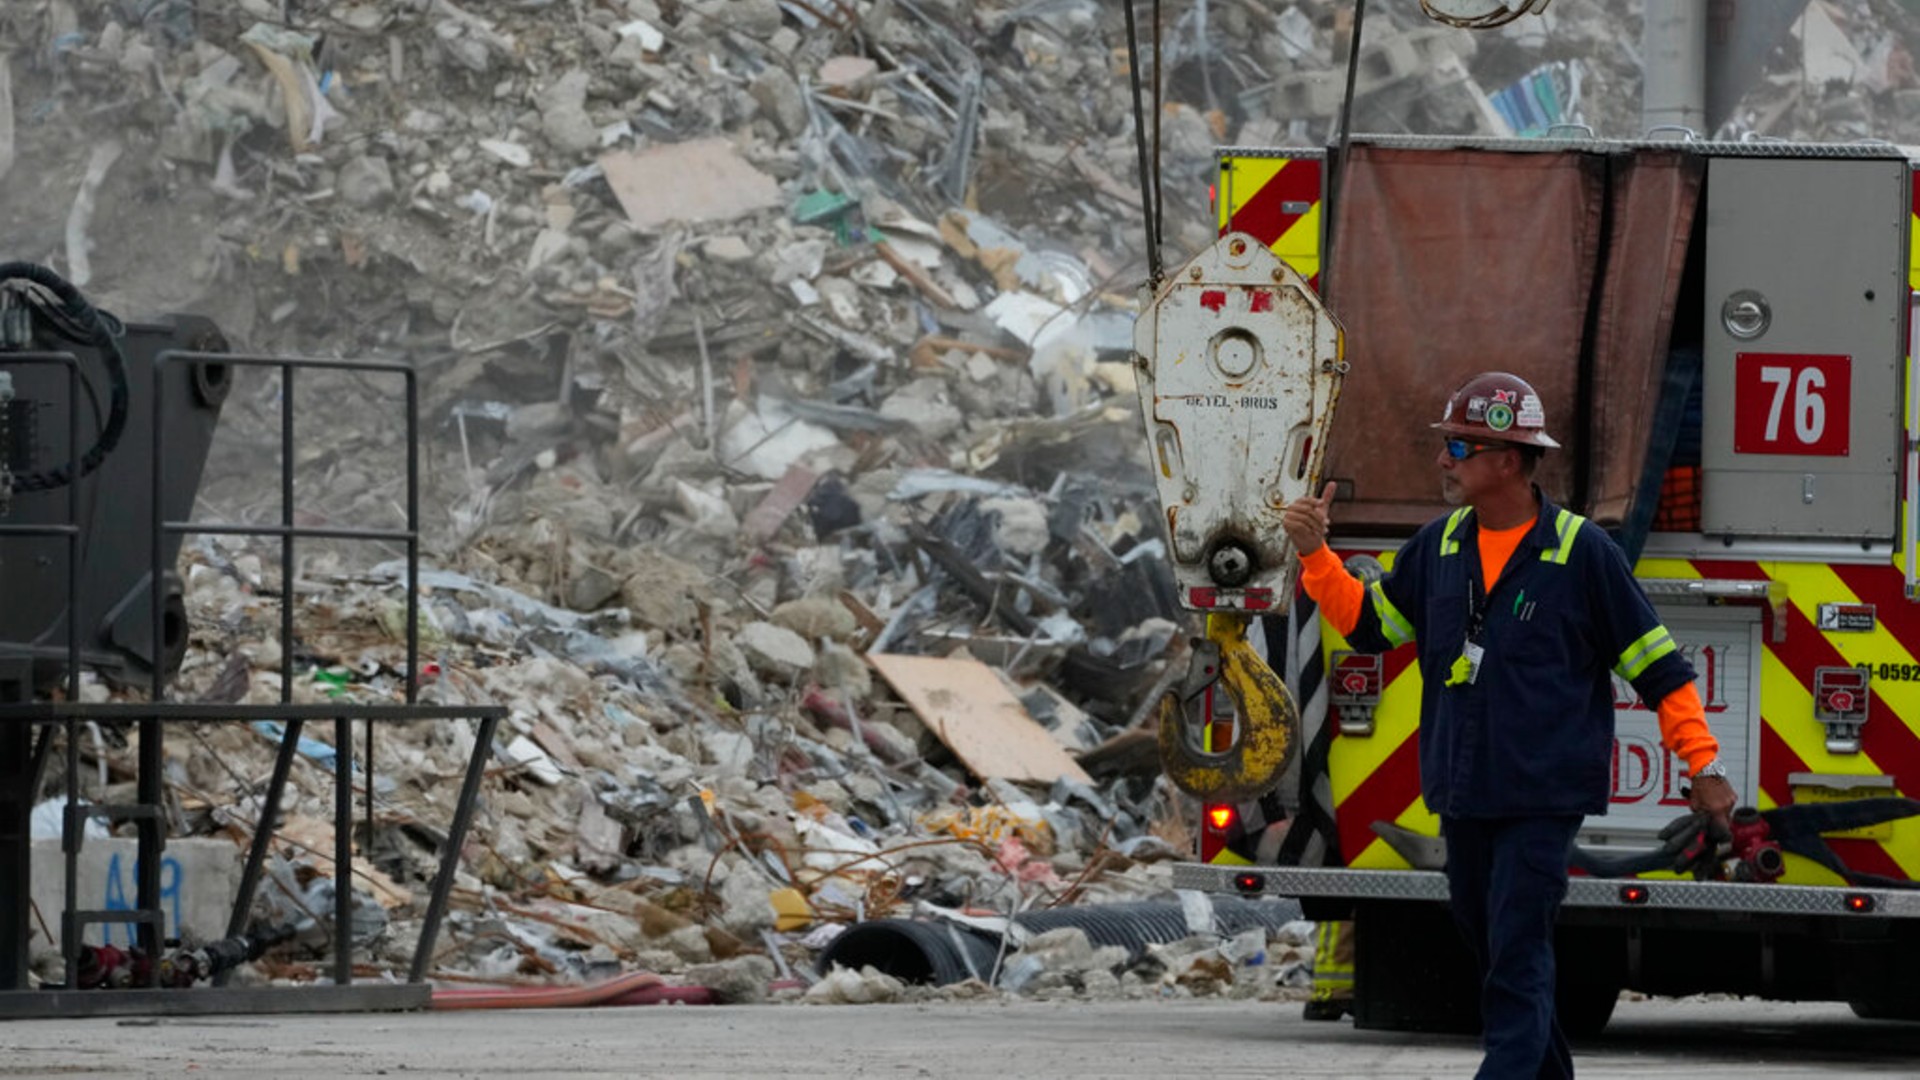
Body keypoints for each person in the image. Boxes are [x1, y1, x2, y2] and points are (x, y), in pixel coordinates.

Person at [1279, 371, 1738, 1078]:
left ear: (1508, 460)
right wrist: (1316, 555)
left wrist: (1702, 766)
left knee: (1517, 946)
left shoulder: (1582, 554)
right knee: (1490, 941)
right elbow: (1370, 627)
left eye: (1457, 448)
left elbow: (1659, 669)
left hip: (1541, 796)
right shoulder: (1438, 547)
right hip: (1464, 791)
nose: (1442, 462)